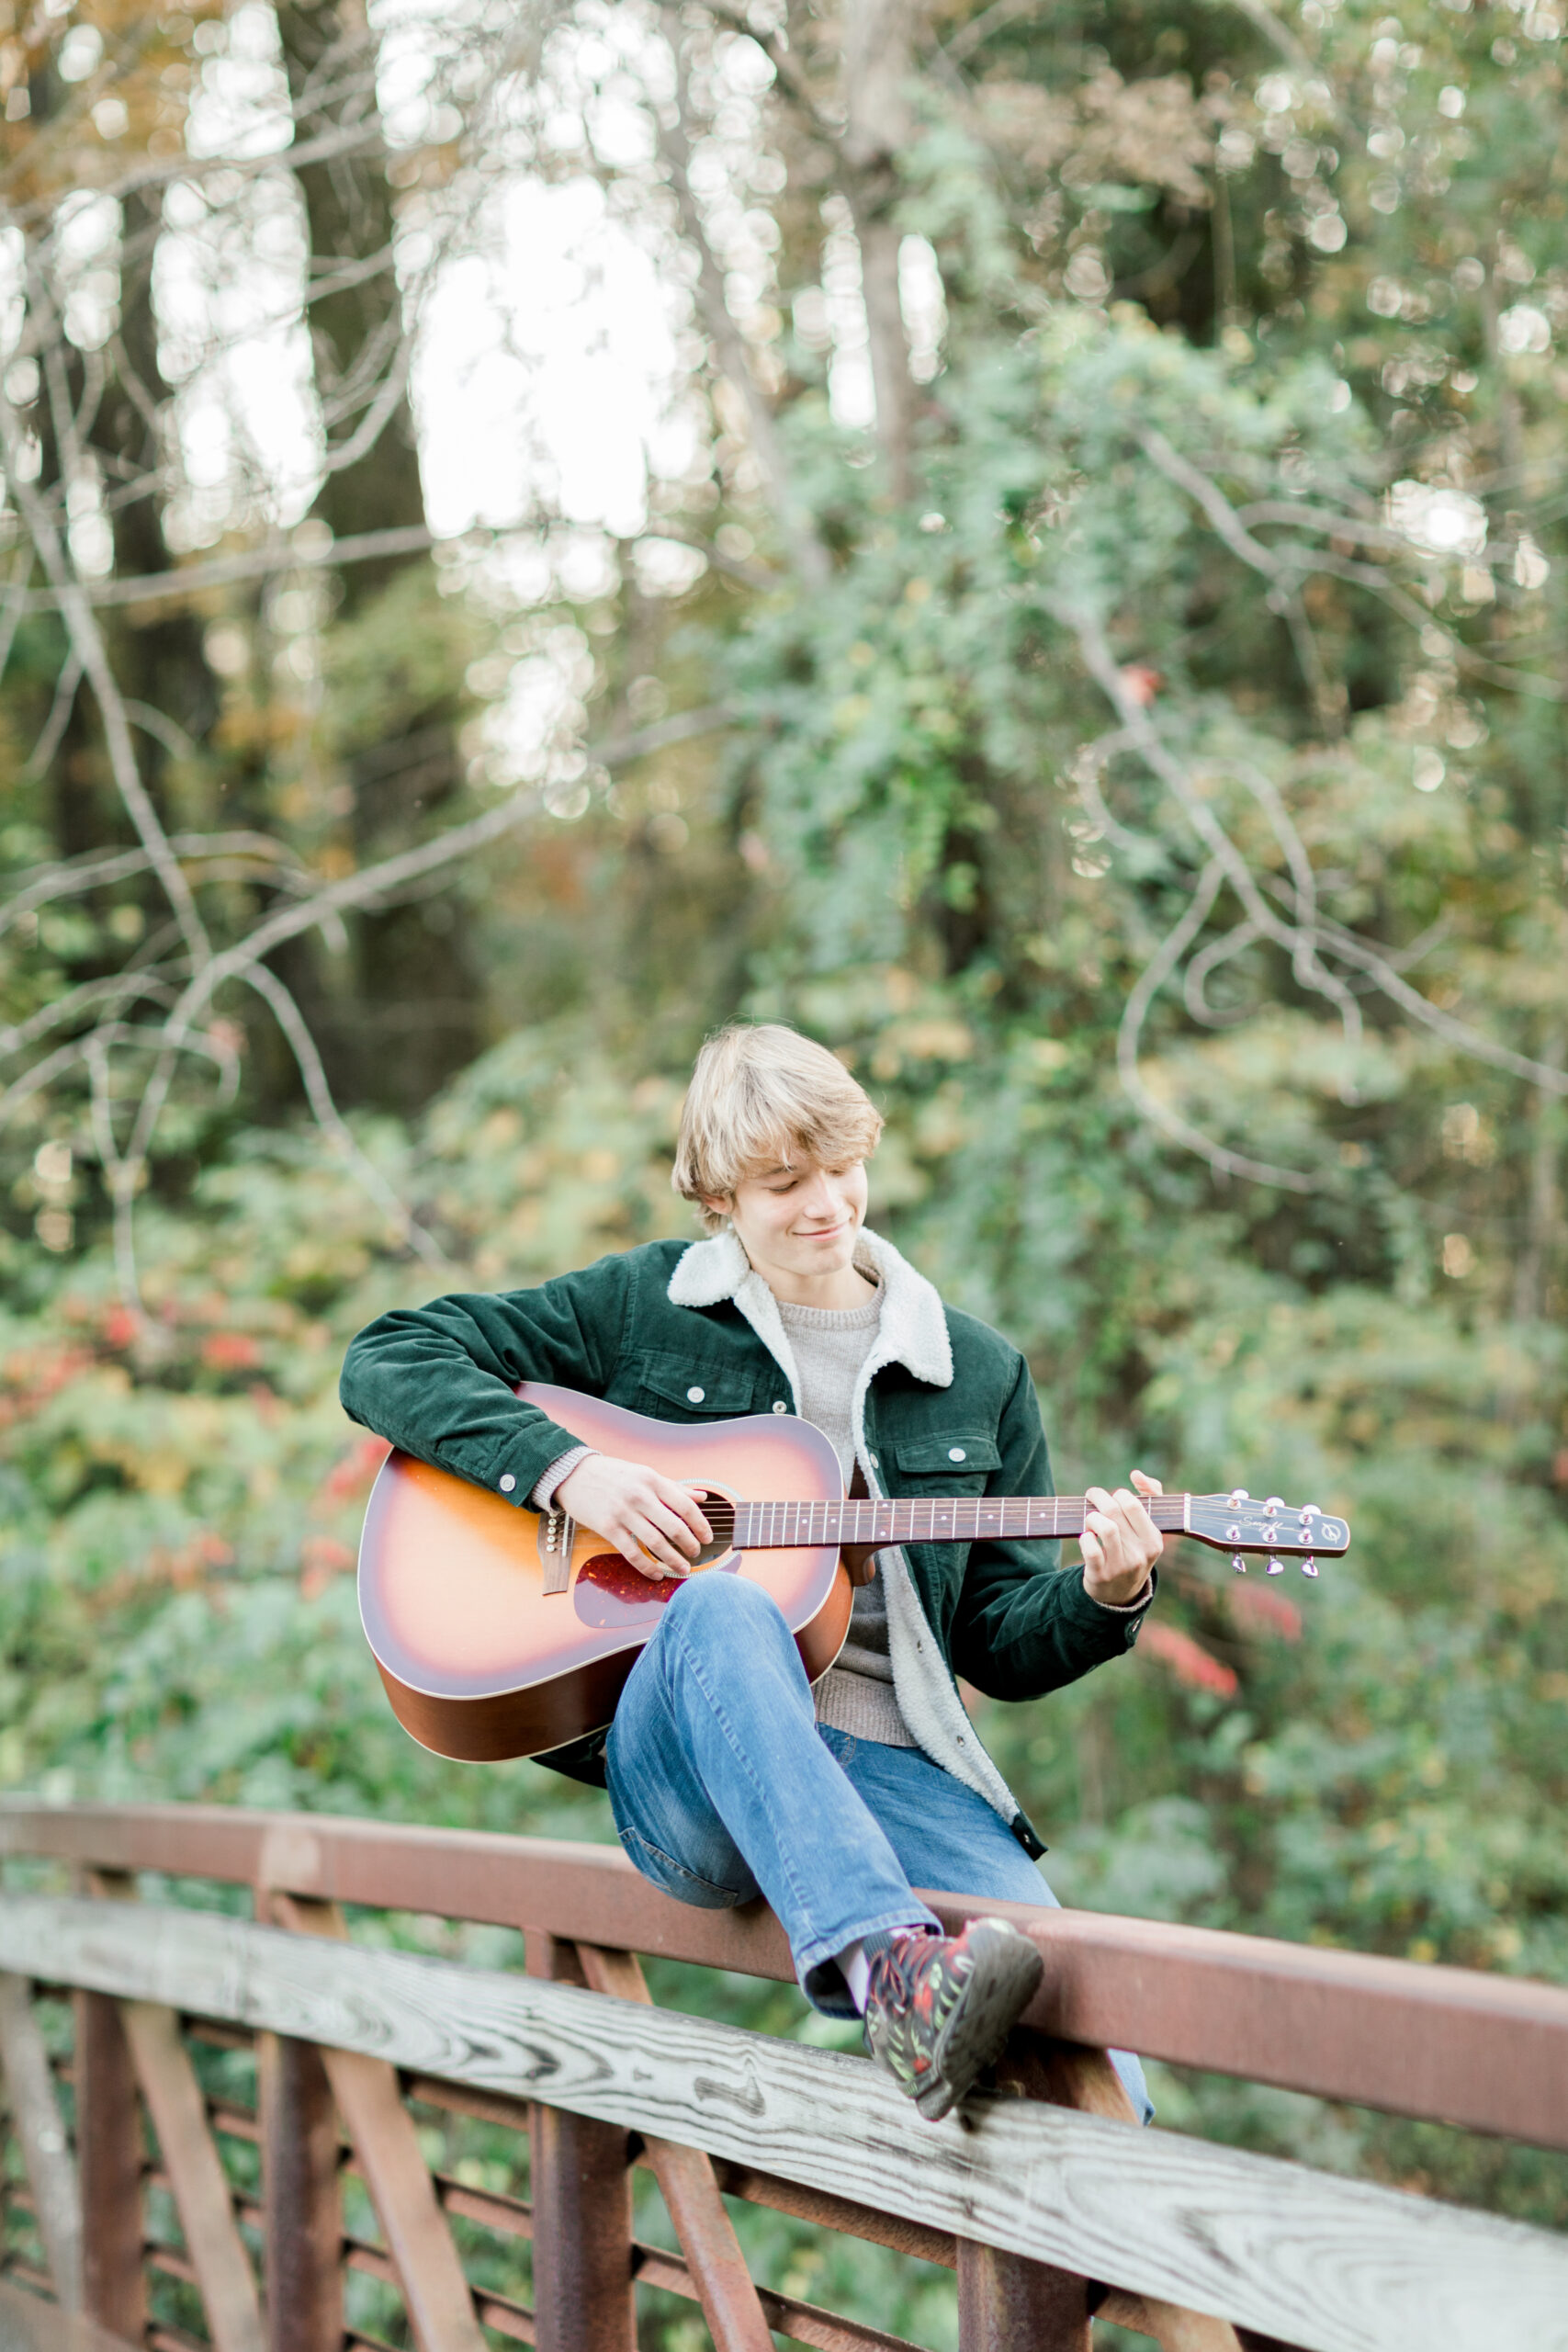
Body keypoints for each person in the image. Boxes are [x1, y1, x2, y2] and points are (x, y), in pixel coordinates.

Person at [341, 1023, 1162, 2121]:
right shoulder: (641, 1310)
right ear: (719, 1195)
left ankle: (1103, 2277)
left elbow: (999, 1642)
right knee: (726, 1603)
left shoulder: (977, 1372)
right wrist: (570, 1475)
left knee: (1099, 2056)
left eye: (842, 1168)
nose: (826, 1203)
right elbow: (386, 1353)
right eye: (784, 1184)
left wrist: (1107, 1596)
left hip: (897, 1771)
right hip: (687, 1775)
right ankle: (889, 1979)